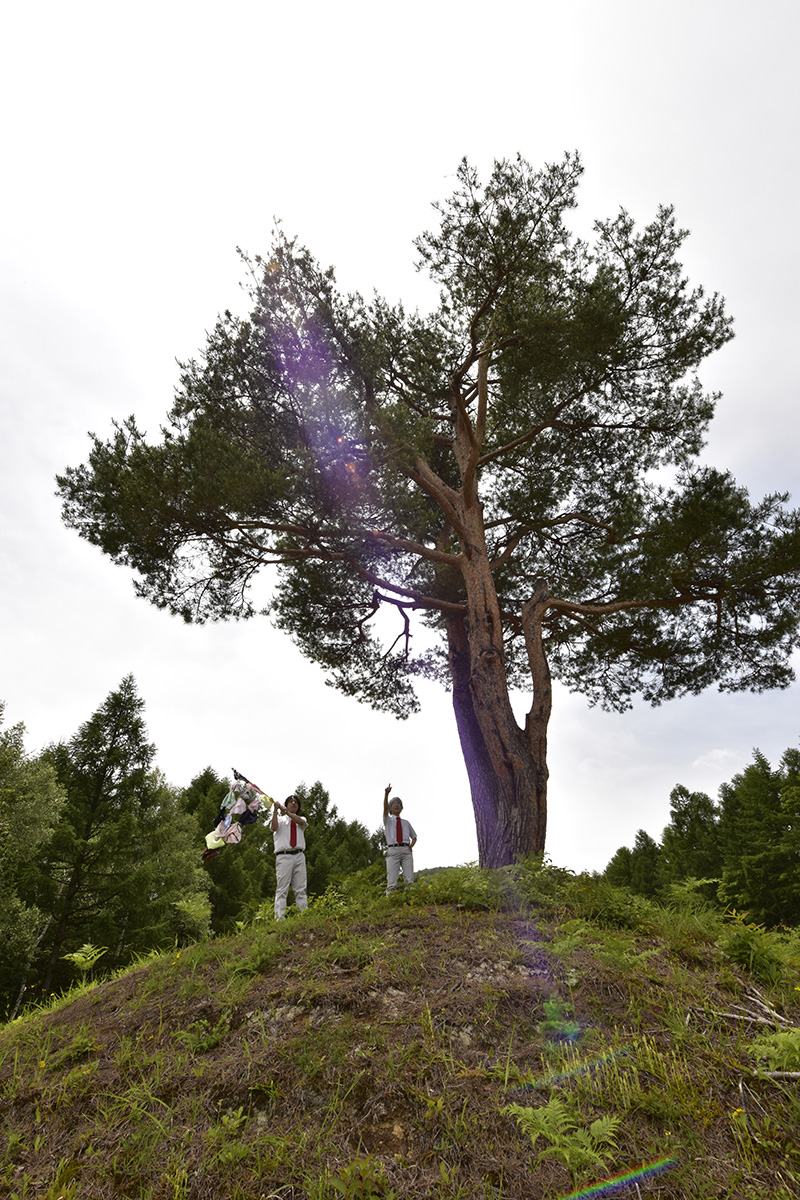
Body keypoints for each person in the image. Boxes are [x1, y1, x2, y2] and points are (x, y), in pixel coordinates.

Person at [271, 794, 308, 920]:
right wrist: (276, 810)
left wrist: (285, 811)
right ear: (286, 804)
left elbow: (301, 822)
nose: (293, 803)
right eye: (290, 802)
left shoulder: (301, 819)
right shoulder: (281, 820)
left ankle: (304, 915)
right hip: (284, 856)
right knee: (282, 888)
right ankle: (279, 918)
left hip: (299, 855)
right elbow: (274, 827)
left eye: (296, 802)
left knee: (301, 888)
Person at [383, 784, 417, 893]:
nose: (396, 805)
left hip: (406, 851)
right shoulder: (388, 820)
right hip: (393, 850)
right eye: (393, 803)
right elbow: (384, 809)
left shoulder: (406, 823)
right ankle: (391, 904)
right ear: (390, 808)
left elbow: (414, 837)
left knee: (409, 880)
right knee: (392, 881)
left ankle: (411, 902)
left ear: (402, 807)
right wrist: (386, 794)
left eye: (398, 803)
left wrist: (411, 846)